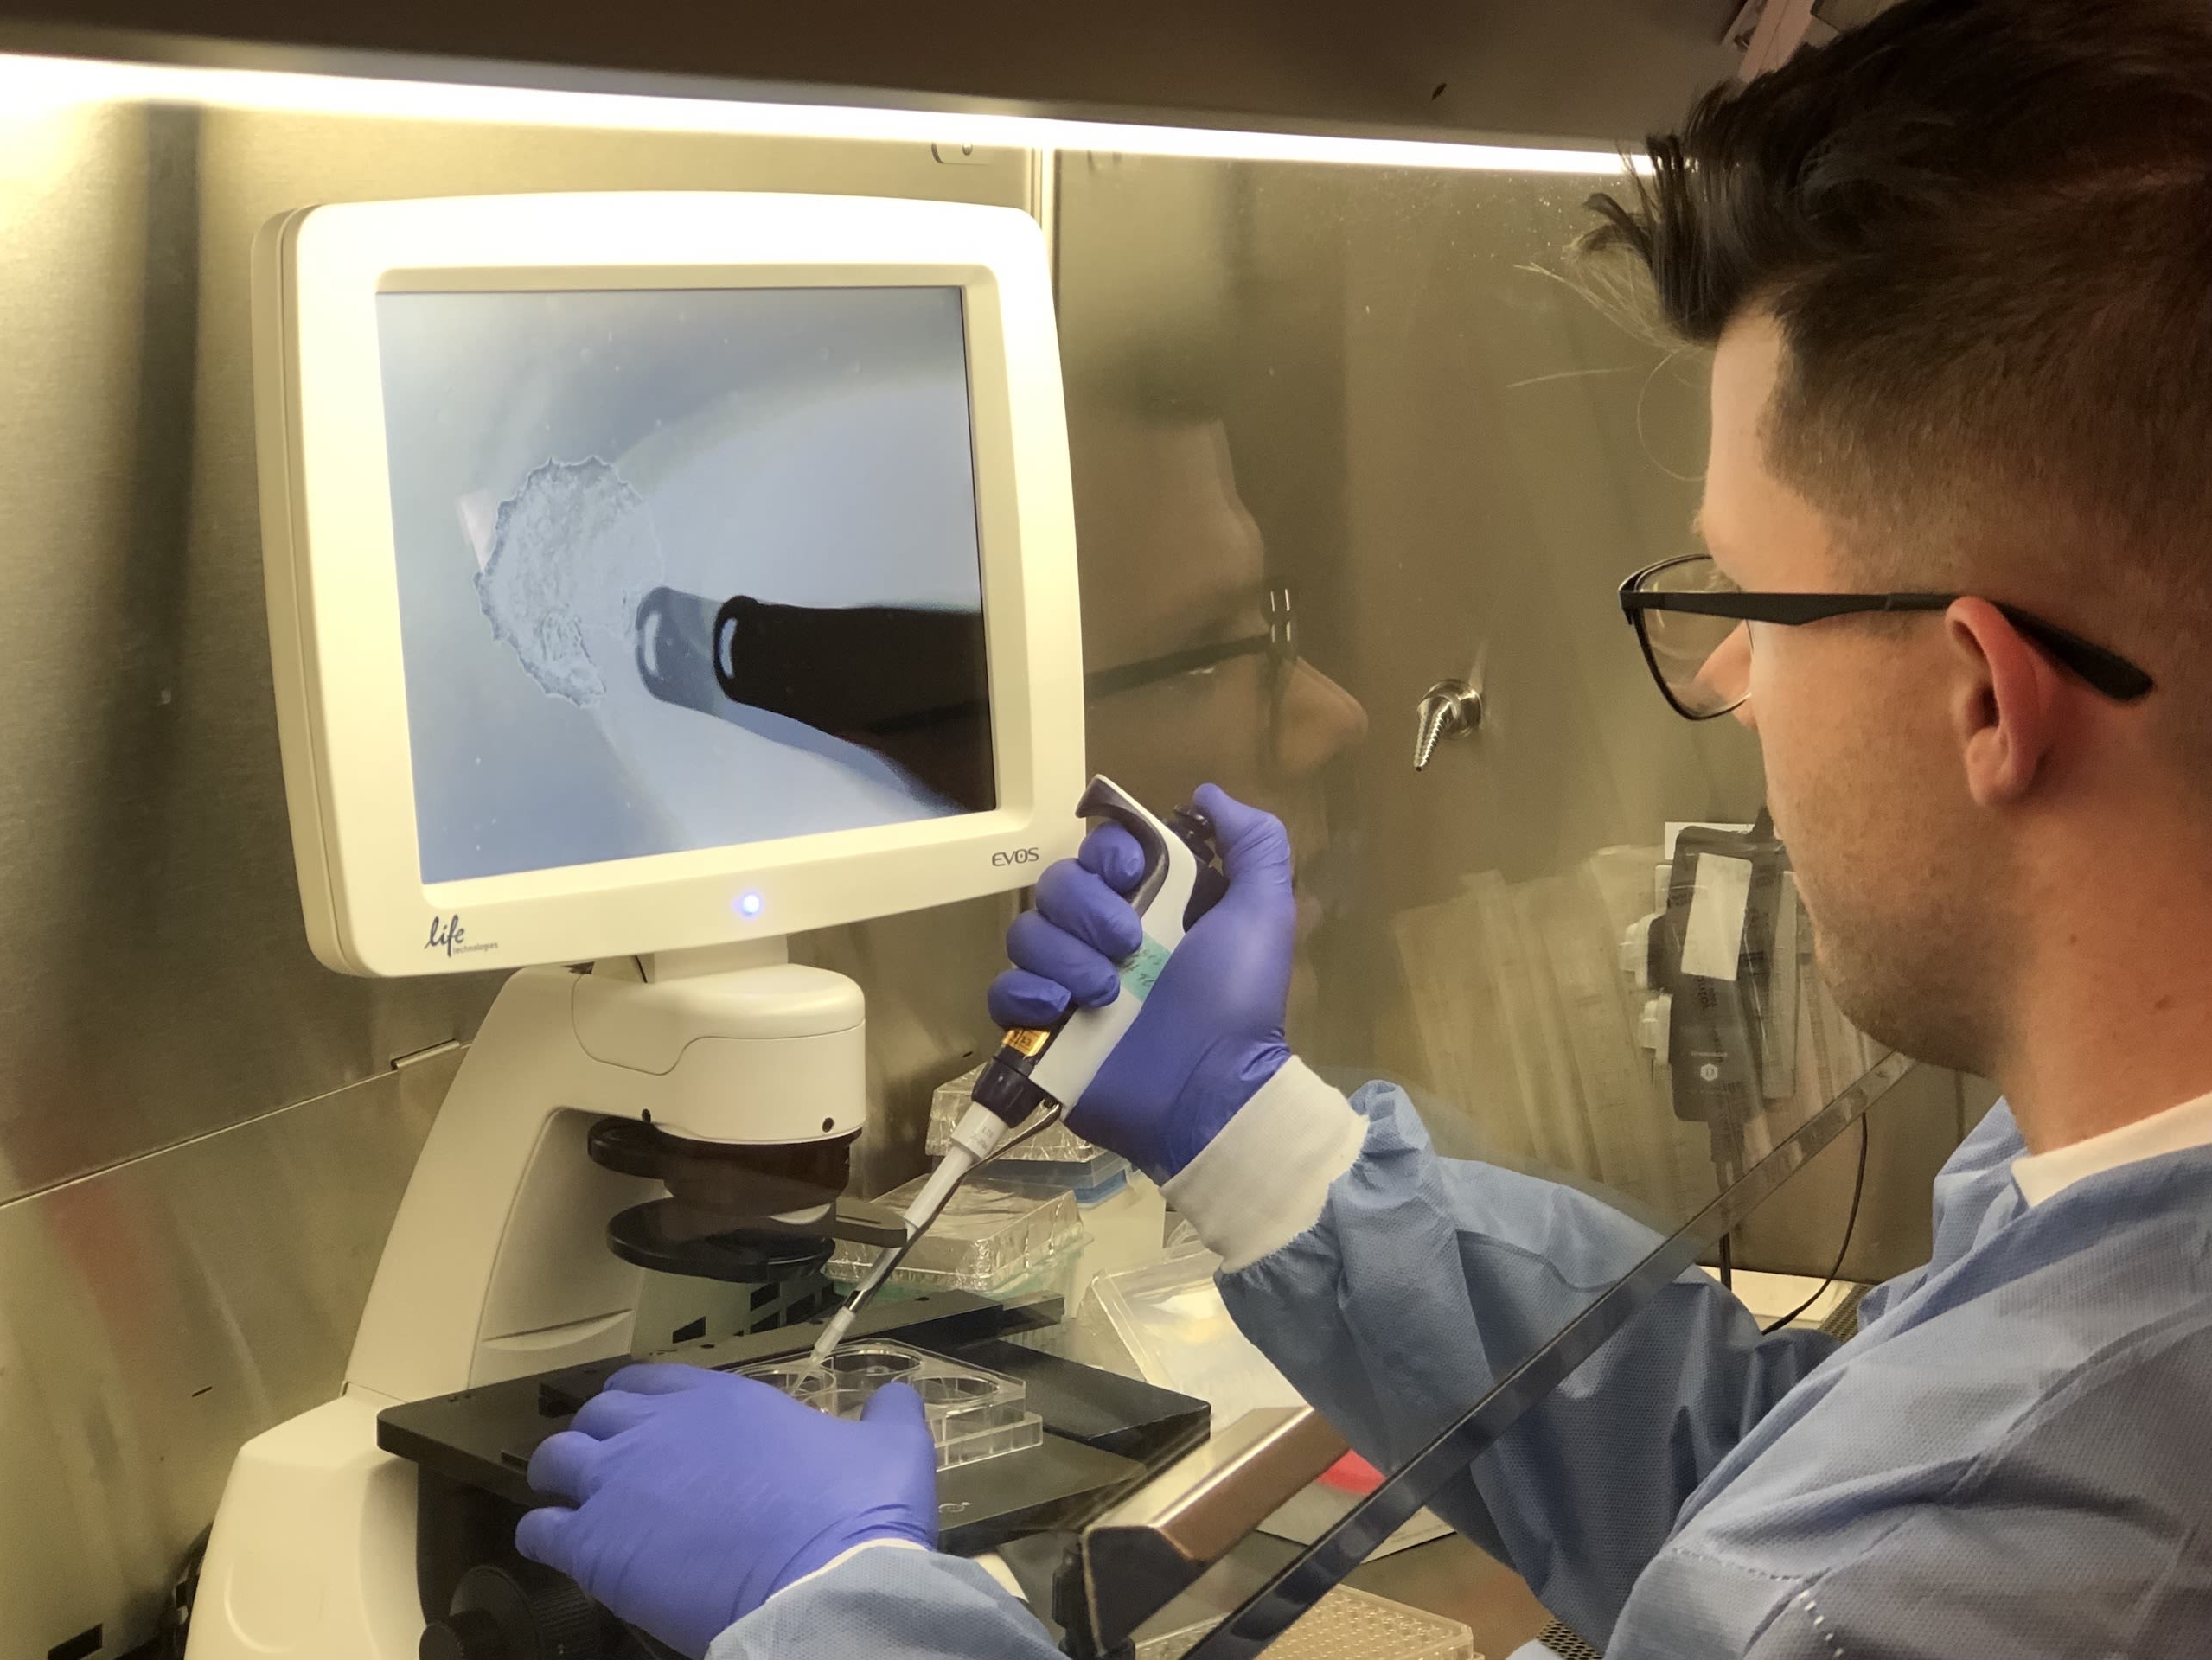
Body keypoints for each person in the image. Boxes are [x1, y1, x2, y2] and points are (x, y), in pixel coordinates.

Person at [513, 3, 2212, 1654]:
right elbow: (1776, 1478)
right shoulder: (2105, 1230)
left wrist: (839, 1609)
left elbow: (1813, 1582)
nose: (1722, 683)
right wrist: (1249, 1134)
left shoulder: (1949, 1576)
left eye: (1750, 602)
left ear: (1982, 695)